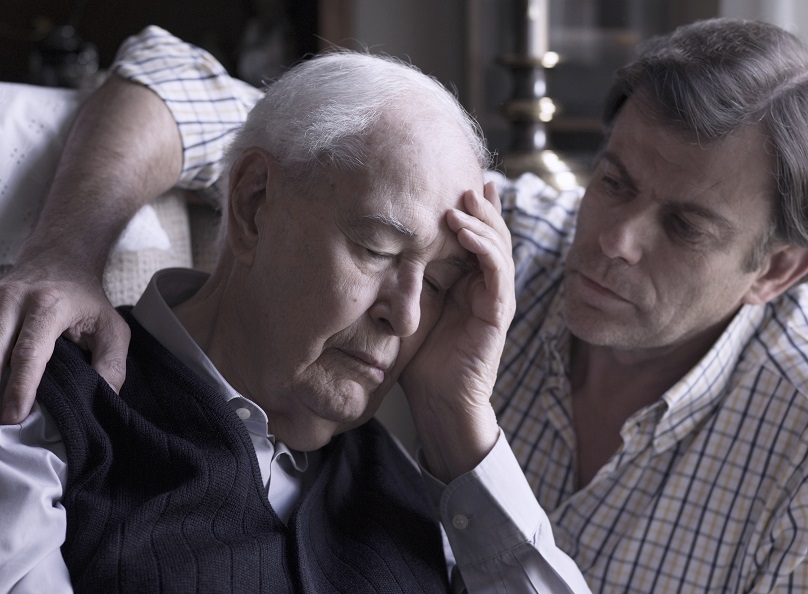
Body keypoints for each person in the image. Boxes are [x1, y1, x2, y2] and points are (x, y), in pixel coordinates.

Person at [3, 16, 808, 592]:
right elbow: (196, 88)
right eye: (615, 182)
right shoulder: (492, 227)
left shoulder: (405, 477)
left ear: (775, 271)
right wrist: (66, 254)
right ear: (251, 207)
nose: (613, 242)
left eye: (685, 227)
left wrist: (462, 429)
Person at [0, 41, 593, 593]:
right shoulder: (45, 399)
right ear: (254, 204)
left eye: (437, 283)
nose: (408, 317)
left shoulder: (416, 492)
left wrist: (457, 419)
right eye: (377, 249)